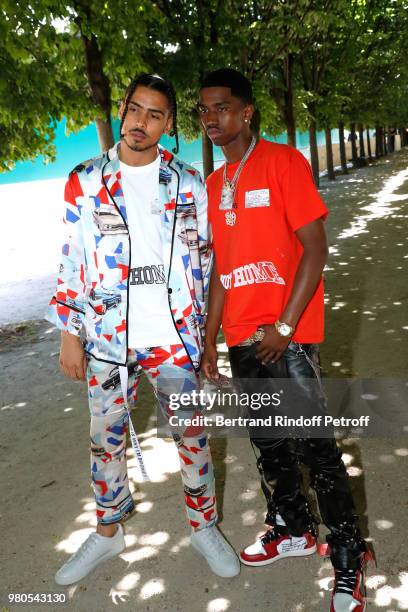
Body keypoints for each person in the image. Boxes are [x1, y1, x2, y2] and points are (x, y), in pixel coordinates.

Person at [45, 72, 240, 586]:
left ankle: (204, 529)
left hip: (173, 337)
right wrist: (69, 330)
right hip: (107, 338)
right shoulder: (84, 179)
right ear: (122, 109)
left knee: (192, 436)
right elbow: (71, 259)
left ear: (168, 123)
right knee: (104, 440)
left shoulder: (189, 182)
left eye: (155, 114)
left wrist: (205, 338)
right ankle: (109, 534)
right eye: (135, 109)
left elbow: (207, 259)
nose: (141, 122)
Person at [199, 68, 369, 612]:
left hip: (286, 335)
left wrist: (286, 328)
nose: (210, 119)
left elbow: (315, 248)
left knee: (316, 448)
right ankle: (292, 528)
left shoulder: (284, 163)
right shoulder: (213, 183)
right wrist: (208, 341)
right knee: (269, 444)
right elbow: (222, 272)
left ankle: (348, 553)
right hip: (241, 336)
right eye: (203, 111)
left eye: (220, 108)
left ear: (246, 112)